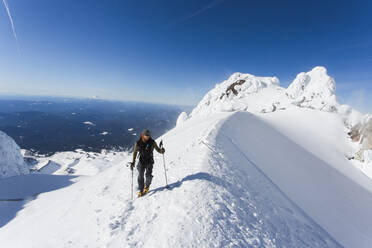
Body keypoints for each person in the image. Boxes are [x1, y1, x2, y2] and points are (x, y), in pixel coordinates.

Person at [130, 129, 165, 197]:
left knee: (148, 175)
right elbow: (135, 152)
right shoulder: (138, 143)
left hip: (150, 161)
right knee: (140, 176)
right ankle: (141, 189)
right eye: (146, 135)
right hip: (141, 161)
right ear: (142, 135)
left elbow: (157, 149)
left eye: (148, 135)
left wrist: (161, 151)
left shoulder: (152, 142)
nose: (147, 136)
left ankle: (147, 187)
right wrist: (133, 162)